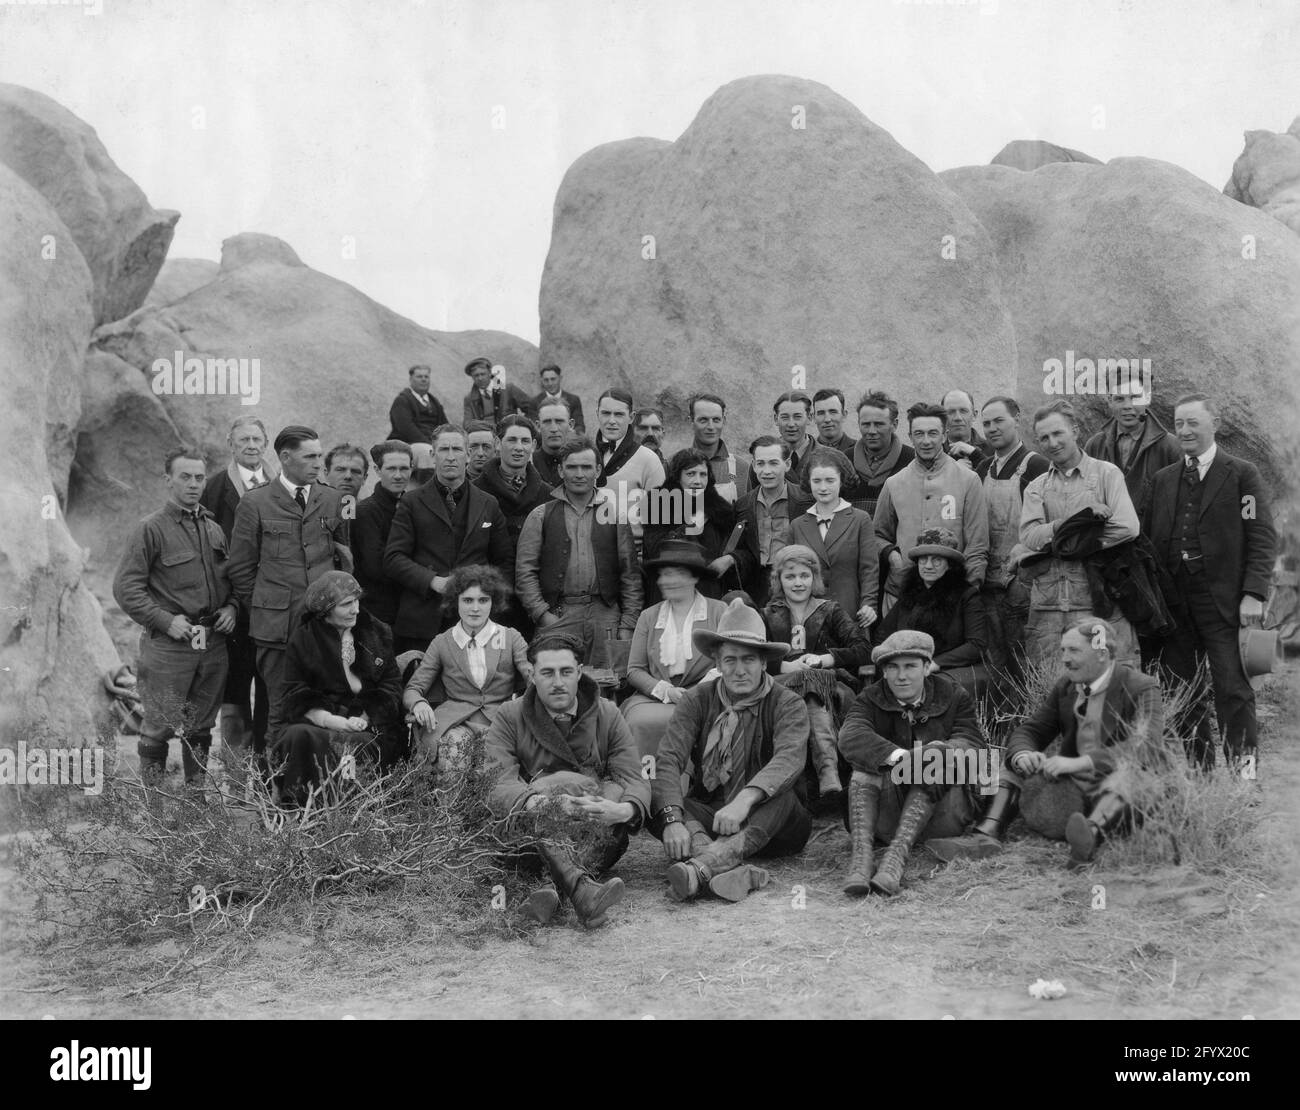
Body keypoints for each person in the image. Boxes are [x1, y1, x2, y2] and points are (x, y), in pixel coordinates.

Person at [929, 618, 1164, 866]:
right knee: (1011, 766)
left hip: (1126, 785)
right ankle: (986, 835)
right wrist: (1023, 754)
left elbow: (1147, 745)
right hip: (1077, 784)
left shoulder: (1141, 687)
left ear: (1102, 654)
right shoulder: (1066, 686)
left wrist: (1081, 763)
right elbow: (1032, 729)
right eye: (1063, 649)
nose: (1064, 658)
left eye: (1074, 650)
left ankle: (1089, 839)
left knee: (1126, 776)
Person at [1143, 393, 1276, 773]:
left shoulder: (1242, 474)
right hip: (1175, 606)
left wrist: (1253, 593)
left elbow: (1262, 537)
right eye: (1179, 424)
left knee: (1234, 689)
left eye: (1193, 423)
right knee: (1182, 693)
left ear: (1214, 424)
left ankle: (1245, 776)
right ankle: (1201, 776)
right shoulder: (1163, 480)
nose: (1184, 431)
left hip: (1224, 602)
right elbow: (1151, 540)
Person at [650, 598, 812, 902]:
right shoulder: (697, 699)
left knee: (783, 796)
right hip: (714, 814)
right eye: (730, 660)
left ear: (764, 662)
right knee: (662, 799)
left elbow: (789, 759)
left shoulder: (787, 702)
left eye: (749, 660)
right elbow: (670, 758)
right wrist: (672, 821)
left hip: (773, 827)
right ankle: (721, 867)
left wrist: (745, 801)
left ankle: (702, 866)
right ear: (717, 663)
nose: (739, 670)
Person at [484, 634, 650, 929]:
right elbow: (497, 783)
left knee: (612, 793)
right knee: (543, 811)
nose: (557, 682)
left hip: (593, 828)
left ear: (579, 671)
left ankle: (551, 888)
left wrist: (623, 811)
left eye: (566, 672)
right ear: (532, 675)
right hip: (530, 834)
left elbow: (632, 776)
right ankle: (581, 890)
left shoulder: (607, 713)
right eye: (547, 673)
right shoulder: (509, 716)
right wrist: (541, 802)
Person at [113, 447, 238, 800]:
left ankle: (195, 803)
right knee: (159, 727)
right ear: (168, 480)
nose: (194, 484)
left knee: (201, 726)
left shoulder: (214, 530)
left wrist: (231, 609)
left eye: (200, 477)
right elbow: (126, 588)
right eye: (185, 477)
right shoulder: (150, 529)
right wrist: (165, 621)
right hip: (170, 647)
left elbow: (231, 582)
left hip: (211, 643)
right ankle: (155, 809)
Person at [228, 425, 352, 754]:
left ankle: (318, 790)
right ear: (285, 458)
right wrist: (267, 606)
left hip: (323, 629)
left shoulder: (334, 499)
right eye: (309, 456)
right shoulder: (255, 503)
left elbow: (344, 562)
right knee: (279, 710)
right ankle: (275, 794)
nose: (317, 463)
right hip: (276, 631)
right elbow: (240, 568)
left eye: (319, 456)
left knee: (325, 708)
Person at [837, 631, 986, 896]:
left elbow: (973, 744)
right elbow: (851, 737)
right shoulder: (870, 698)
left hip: (944, 811)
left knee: (936, 759)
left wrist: (936, 753)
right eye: (892, 667)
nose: (901, 676)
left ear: (927, 667)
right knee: (865, 768)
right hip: (888, 814)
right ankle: (861, 859)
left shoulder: (953, 694)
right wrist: (903, 759)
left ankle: (896, 857)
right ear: (883, 671)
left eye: (910, 666)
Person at [1018, 401, 1140, 668]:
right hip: (1049, 608)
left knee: (1107, 682)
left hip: (1099, 601)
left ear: (1074, 430)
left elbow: (1127, 527)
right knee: (1052, 688)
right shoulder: (1037, 487)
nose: (1052, 443)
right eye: (1044, 438)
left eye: (1058, 433)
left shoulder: (1107, 474)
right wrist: (1077, 522)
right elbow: (1029, 536)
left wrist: (1065, 542)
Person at [275, 571, 406, 806]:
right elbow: (293, 690)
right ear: (326, 611)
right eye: (346, 604)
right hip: (319, 719)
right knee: (298, 736)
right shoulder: (304, 637)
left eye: (357, 601)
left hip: (367, 721)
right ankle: (302, 808)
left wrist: (366, 716)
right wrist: (329, 720)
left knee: (356, 743)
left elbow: (391, 685)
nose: (355, 609)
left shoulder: (377, 632)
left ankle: (350, 812)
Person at [382, 424, 512, 655]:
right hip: (422, 622)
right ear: (433, 456)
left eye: (457, 449)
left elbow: (504, 561)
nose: (450, 457)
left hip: (476, 622)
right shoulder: (412, 502)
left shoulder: (488, 503)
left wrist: (482, 595)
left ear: (468, 455)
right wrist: (433, 581)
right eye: (443, 450)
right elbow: (393, 558)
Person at [515, 437, 643, 665]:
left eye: (586, 467)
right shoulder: (540, 515)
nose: (579, 474)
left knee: (608, 684)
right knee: (557, 682)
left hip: (605, 615)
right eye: (572, 467)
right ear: (560, 470)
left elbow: (630, 575)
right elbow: (525, 572)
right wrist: (543, 615)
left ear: (598, 470)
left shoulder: (615, 516)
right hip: (559, 613)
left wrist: (627, 623)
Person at [762, 544, 872, 805]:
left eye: (804, 576)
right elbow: (754, 656)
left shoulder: (830, 610)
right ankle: (824, 770)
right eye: (790, 577)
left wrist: (824, 659)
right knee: (805, 681)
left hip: (828, 685)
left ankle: (828, 772)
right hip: (783, 684)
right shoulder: (766, 614)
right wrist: (786, 666)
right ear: (779, 580)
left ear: (815, 578)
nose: (798, 583)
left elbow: (863, 649)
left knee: (812, 680)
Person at [199, 416, 278, 765]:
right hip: (234, 612)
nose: (250, 445)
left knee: (269, 690)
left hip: (274, 609)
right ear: (231, 444)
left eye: (257, 439)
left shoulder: (281, 486)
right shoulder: (216, 488)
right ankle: (234, 783)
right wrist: (228, 604)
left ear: (266, 443)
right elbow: (209, 556)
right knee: (234, 693)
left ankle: (265, 778)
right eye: (243, 439)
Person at [403, 565, 531, 774]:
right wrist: (418, 704)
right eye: (468, 600)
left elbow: (532, 676)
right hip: (455, 722)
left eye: (483, 600)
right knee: (453, 754)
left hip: (499, 721)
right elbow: (413, 688)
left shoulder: (510, 637)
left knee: (492, 765)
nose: (475, 608)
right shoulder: (443, 641)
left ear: (493, 602)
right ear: (456, 602)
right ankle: (449, 807)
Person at [622, 540, 726, 759]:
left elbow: (728, 661)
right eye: (663, 574)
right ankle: (645, 785)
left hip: (708, 696)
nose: (666, 581)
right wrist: (667, 692)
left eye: (676, 573)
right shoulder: (648, 617)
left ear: (694, 577)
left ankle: (701, 788)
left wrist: (697, 693)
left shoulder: (718, 611)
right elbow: (634, 670)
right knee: (640, 721)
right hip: (656, 698)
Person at [874, 402, 989, 600]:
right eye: (919, 434)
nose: (926, 441)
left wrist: (969, 592)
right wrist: (894, 557)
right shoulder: (894, 483)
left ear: (944, 435)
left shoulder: (968, 480)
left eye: (933, 433)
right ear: (910, 437)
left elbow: (977, 545)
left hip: (952, 593)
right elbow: (877, 535)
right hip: (901, 592)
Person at [974, 397, 1047, 681]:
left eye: (999, 421)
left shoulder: (1036, 466)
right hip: (988, 584)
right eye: (986, 423)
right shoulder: (982, 470)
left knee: (1025, 663)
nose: (992, 428)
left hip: (1021, 585)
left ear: (1017, 419)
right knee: (995, 665)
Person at [874, 529, 988, 696]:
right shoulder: (909, 594)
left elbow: (976, 645)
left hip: (946, 671)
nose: (928, 566)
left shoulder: (967, 596)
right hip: (905, 668)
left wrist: (936, 663)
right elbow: (883, 635)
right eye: (923, 560)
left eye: (937, 560)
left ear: (949, 564)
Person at [789, 447, 879, 632]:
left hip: (850, 613)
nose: (823, 487)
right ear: (808, 482)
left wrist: (869, 604)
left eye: (830, 480)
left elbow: (869, 568)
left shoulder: (860, 519)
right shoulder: (797, 525)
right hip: (808, 617)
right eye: (817, 481)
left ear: (841, 481)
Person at [642, 447, 739, 602]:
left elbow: (743, 548)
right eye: (690, 474)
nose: (697, 481)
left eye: (703, 474)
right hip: (667, 595)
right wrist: (690, 525)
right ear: (677, 477)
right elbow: (655, 549)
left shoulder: (720, 510)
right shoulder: (658, 503)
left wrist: (729, 559)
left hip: (709, 595)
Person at [735, 435, 812, 607]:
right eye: (760, 463)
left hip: (795, 581)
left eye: (774, 463)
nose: (766, 471)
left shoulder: (806, 501)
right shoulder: (743, 506)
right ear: (753, 466)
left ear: (787, 464)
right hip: (757, 586)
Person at [1083, 384, 1180, 518]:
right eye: (1119, 399)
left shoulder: (1170, 447)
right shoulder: (1095, 445)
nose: (1127, 406)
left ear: (1147, 399)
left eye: (1135, 398)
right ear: (1110, 402)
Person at [350, 440, 412, 628]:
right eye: (391, 469)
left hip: (409, 608)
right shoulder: (366, 512)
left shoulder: (415, 505)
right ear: (377, 470)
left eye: (404, 469)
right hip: (378, 612)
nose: (398, 476)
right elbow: (375, 567)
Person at [593, 387, 665, 532]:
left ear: (631, 417)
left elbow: (660, 517)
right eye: (606, 413)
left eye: (619, 414)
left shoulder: (648, 459)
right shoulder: (585, 456)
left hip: (634, 550)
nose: (611, 421)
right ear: (597, 414)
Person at [472, 414, 551, 544]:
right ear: (497, 443)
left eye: (525, 441)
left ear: (533, 445)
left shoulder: (548, 495)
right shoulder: (474, 491)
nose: (518, 448)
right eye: (512, 440)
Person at [850, 390, 914, 518]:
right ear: (858, 424)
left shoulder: (912, 461)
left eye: (879, 424)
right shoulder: (845, 460)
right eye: (866, 424)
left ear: (894, 425)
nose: (872, 431)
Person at [688, 392, 750, 503]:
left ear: (724, 421)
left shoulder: (741, 467)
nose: (711, 427)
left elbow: (747, 515)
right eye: (703, 420)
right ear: (691, 422)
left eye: (716, 420)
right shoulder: (672, 465)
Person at [388, 363, 448, 470]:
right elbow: (406, 429)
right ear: (411, 379)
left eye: (426, 377)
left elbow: (445, 426)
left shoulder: (435, 402)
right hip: (408, 444)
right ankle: (430, 486)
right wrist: (431, 444)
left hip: (433, 443)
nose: (423, 380)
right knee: (427, 452)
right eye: (419, 377)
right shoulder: (402, 400)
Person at [461, 356, 535, 426]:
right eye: (476, 375)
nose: (480, 378)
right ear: (472, 377)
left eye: (483, 374)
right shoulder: (469, 399)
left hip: (508, 435)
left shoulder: (508, 389)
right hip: (485, 436)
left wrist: (524, 426)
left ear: (490, 373)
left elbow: (532, 408)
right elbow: (467, 424)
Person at [941, 388, 992, 469]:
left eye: (963, 411)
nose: (958, 418)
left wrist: (976, 455)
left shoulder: (993, 449)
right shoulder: (934, 451)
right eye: (951, 412)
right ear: (942, 418)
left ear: (974, 415)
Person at [532, 363, 586, 434]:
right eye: (546, 380)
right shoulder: (535, 402)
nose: (550, 383)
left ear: (560, 378)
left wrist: (569, 434)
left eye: (553, 379)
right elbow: (534, 428)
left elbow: (580, 426)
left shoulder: (573, 400)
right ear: (542, 381)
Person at [534, 398, 575, 488]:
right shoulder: (529, 463)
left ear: (571, 425)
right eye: (547, 422)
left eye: (559, 422)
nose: (554, 429)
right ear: (538, 426)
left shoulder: (582, 463)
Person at [812, 388, 858, 455]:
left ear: (844, 415)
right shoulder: (805, 452)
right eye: (821, 413)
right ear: (814, 417)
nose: (827, 419)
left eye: (833, 412)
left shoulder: (860, 450)